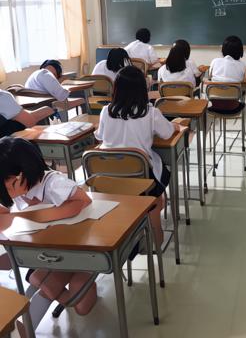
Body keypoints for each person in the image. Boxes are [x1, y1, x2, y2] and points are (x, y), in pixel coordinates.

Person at [0, 137, 96, 334]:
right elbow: (6, 212)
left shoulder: (52, 182)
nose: (7, 192)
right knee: (41, 282)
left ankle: (78, 280)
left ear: (22, 174)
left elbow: (83, 200)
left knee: (81, 307)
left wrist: (40, 214)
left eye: (8, 185)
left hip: (75, 251)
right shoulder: (16, 189)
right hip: (45, 253)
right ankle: (23, 327)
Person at [95, 66, 181, 247]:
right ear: (143, 89)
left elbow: (100, 136)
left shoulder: (106, 111)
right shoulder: (150, 113)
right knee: (160, 184)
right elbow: (166, 134)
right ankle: (155, 232)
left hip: (107, 179)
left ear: (116, 88)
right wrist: (175, 126)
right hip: (141, 178)